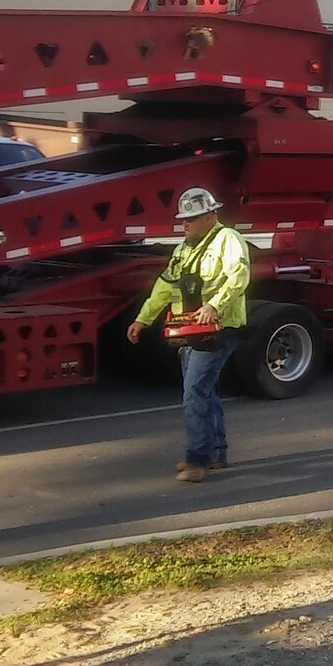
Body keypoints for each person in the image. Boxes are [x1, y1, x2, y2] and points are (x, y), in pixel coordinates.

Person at [126, 186, 252, 482]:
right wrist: (143, 320)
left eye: (192, 218)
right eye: (184, 219)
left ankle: (198, 459)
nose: (185, 224)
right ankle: (216, 452)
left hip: (220, 329)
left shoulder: (228, 240)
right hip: (191, 330)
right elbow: (164, 286)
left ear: (211, 215)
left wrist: (213, 305)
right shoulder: (183, 250)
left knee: (194, 391)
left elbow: (239, 276)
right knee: (205, 391)